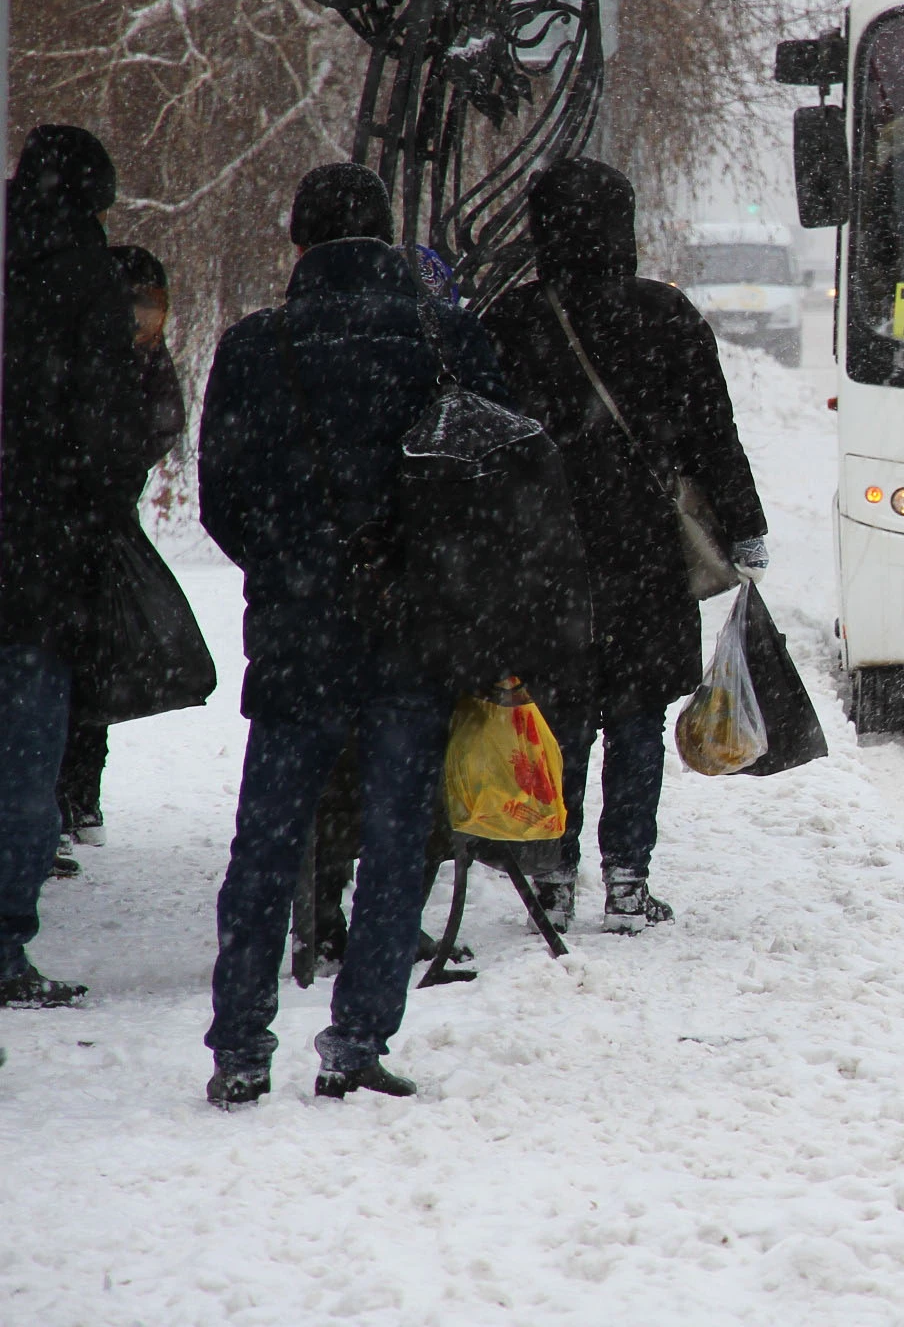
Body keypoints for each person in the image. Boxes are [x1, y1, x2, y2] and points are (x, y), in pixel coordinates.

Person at [197, 163, 515, 1105]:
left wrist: (292, 565)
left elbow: (221, 499)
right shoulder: (445, 334)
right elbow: (495, 480)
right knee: (396, 835)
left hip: (297, 633)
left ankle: (241, 1046)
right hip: (413, 633)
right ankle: (359, 1036)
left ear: (299, 244)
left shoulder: (254, 347)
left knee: (268, 841)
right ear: (386, 239)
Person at [483, 158, 766, 935]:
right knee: (638, 715)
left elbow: (484, 444)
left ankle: (555, 872)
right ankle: (629, 879)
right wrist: (745, 524)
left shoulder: (511, 321)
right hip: (645, 549)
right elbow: (714, 434)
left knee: (562, 713)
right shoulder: (666, 316)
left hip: (548, 553)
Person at [0, 126, 151, 1009]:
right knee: (25, 760)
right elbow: (107, 430)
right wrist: (94, 520)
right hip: (39, 561)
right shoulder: (87, 279)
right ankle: (6, 940)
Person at [54, 245, 189, 853]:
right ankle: (54, 803)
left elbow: (163, 421)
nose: (144, 323)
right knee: (63, 672)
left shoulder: (145, 368)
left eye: (153, 309)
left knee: (95, 670)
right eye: (134, 308)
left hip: (103, 539)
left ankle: (80, 796)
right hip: (61, 543)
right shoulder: (80, 362)